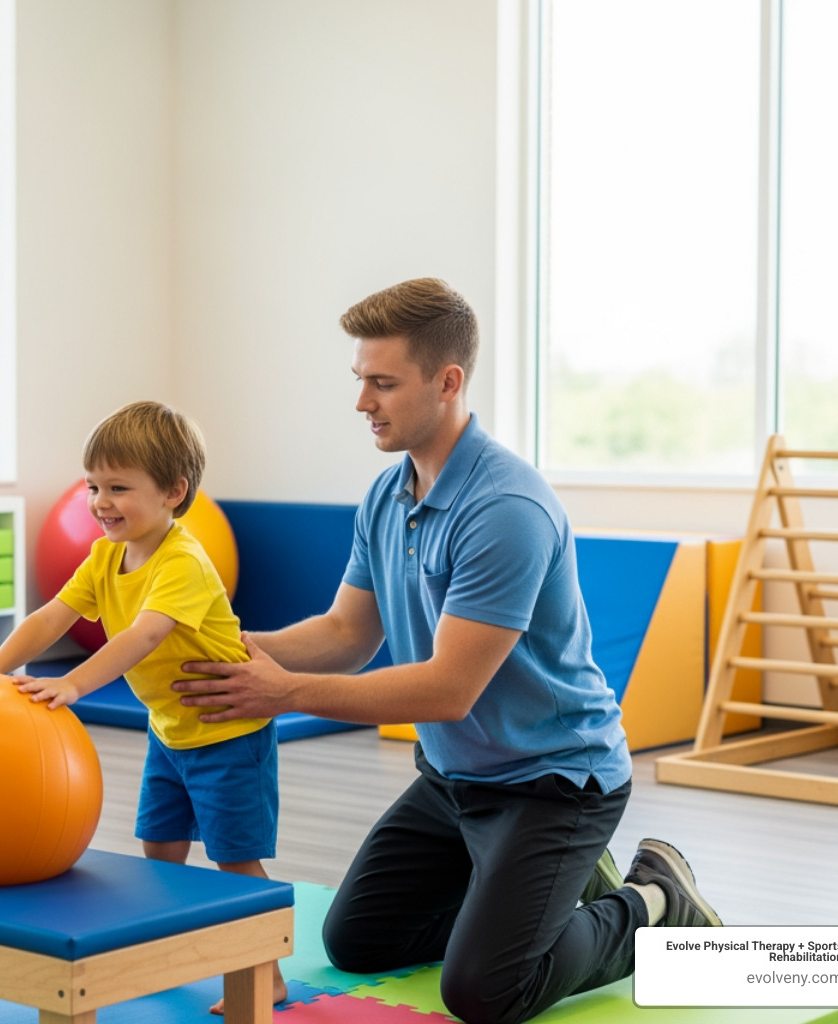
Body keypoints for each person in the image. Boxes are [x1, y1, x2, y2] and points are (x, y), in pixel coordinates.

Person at [171, 279, 721, 1024]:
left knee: (484, 992)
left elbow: (448, 689)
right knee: (357, 945)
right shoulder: (386, 496)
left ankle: (654, 898)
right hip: (455, 780)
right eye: (360, 380)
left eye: (383, 383)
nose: (362, 401)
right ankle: (531, 896)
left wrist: (282, 692)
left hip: (552, 782)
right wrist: (222, 647)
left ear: (448, 382)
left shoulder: (506, 509)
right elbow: (344, 635)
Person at [0, 400, 287, 1011]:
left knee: (234, 860)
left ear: (172, 491)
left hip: (229, 733)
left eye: (118, 487)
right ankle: (176, 953)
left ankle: (265, 971)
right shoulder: (107, 555)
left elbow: (143, 636)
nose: (100, 502)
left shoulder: (183, 560)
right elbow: (52, 615)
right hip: (171, 733)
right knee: (160, 851)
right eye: (92, 486)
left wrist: (75, 685)